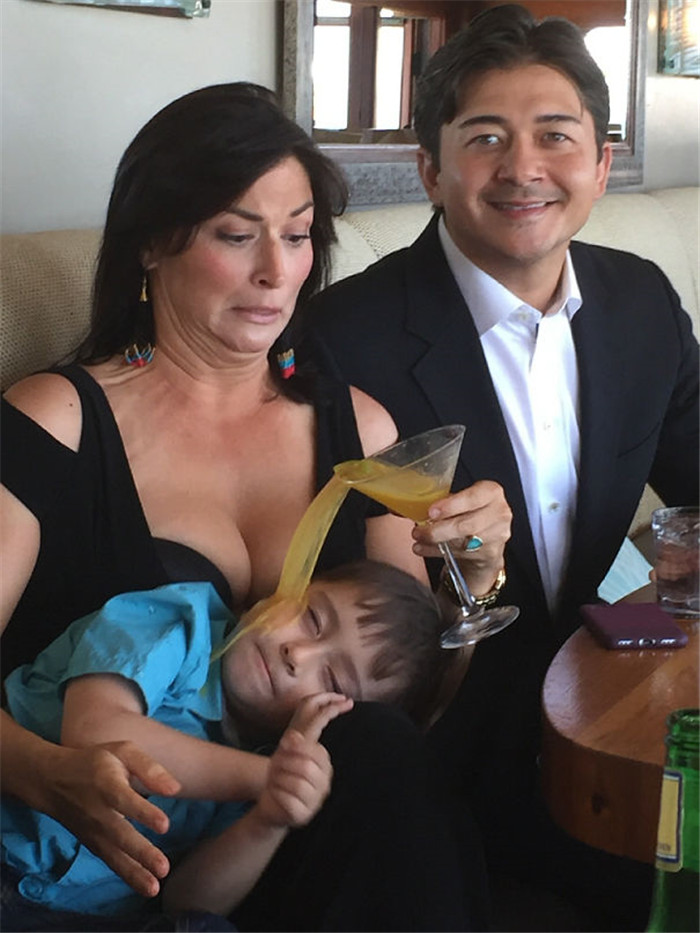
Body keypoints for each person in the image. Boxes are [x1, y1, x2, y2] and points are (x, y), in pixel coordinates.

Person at [1, 82, 505, 929]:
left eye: (298, 235)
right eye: (238, 236)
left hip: (274, 843)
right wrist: (44, 771)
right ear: (151, 243)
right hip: (75, 845)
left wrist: (472, 589)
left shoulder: (360, 430)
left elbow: (407, 701)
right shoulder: (58, 419)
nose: (277, 271)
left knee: (378, 746)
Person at [304, 5, 699, 929]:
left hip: (614, 701)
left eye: (556, 136)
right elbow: (341, 611)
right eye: (486, 138)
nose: (523, 168)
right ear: (431, 170)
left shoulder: (640, 300)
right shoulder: (344, 338)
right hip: (445, 754)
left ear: (600, 163)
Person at [2, 559, 454, 930]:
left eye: (332, 680)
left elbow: (186, 901)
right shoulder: (178, 621)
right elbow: (94, 729)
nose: (298, 654)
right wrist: (260, 779)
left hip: (79, 916)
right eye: (312, 618)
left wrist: (269, 820)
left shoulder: (273, 760)